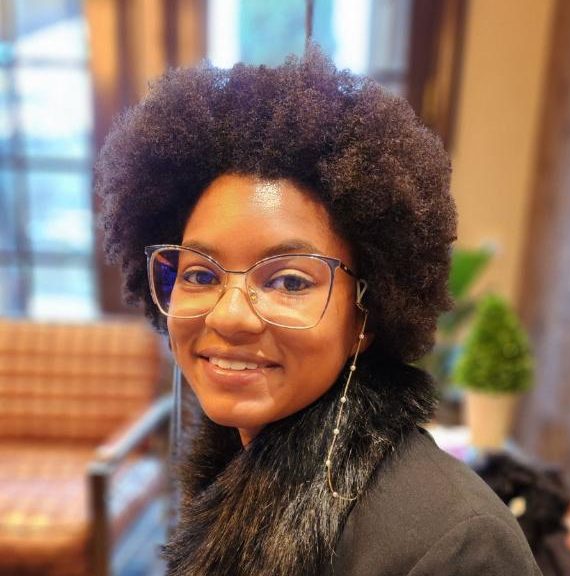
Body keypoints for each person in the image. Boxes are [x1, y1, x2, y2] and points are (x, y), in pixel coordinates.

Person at [95, 48, 542, 576]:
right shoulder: (235, 461)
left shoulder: (456, 547)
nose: (229, 316)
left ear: (366, 316)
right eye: (200, 274)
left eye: (288, 280)